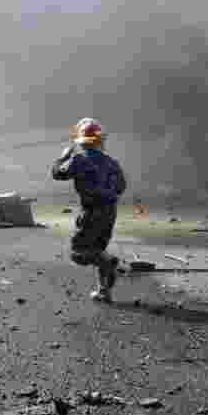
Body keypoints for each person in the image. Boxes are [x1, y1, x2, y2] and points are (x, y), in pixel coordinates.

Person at [52, 118, 127, 303]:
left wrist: (63, 158)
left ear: (82, 141)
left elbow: (58, 174)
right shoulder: (112, 163)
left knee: (79, 252)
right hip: (110, 211)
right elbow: (121, 187)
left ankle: (109, 262)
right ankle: (104, 292)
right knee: (99, 249)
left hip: (91, 211)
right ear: (101, 141)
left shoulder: (79, 160)